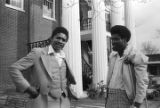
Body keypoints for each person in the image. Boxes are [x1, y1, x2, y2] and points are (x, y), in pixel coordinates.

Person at [9, 27, 77, 108]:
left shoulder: (63, 57)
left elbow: (64, 78)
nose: (60, 41)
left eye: (63, 40)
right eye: (58, 38)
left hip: (63, 102)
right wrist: (27, 88)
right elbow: (14, 68)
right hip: (43, 101)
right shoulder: (38, 53)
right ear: (51, 38)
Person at [105, 25, 149, 108]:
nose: (113, 42)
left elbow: (142, 81)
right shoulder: (113, 56)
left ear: (124, 39)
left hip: (126, 98)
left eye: (116, 39)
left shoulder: (136, 56)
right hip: (110, 96)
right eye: (112, 39)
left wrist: (138, 102)